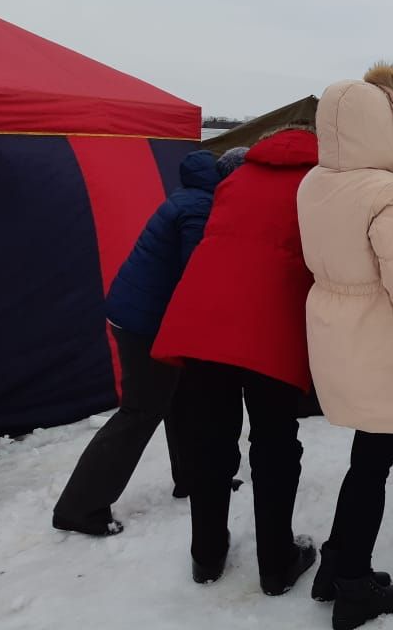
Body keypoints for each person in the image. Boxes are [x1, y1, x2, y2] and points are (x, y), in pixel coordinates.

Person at [297, 64, 393, 630]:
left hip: (333, 329)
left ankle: (336, 563)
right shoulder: (387, 191)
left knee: (366, 456)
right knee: (374, 461)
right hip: (377, 334)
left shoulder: (314, 181)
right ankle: (354, 585)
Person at [151, 127, 320, 596]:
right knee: (274, 444)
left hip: (203, 316)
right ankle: (276, 562)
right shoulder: (319, 183)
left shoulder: (235, 179)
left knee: (208, 440)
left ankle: (206, 556)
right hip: (269, 322)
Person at [52, 149, 220, 537]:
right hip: (146, 324)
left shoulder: (187, 196)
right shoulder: (199, 208)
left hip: (142, 315)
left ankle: (192, 478)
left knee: (180, 398)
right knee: (141, 411)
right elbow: (198, 272)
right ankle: (78, 507)